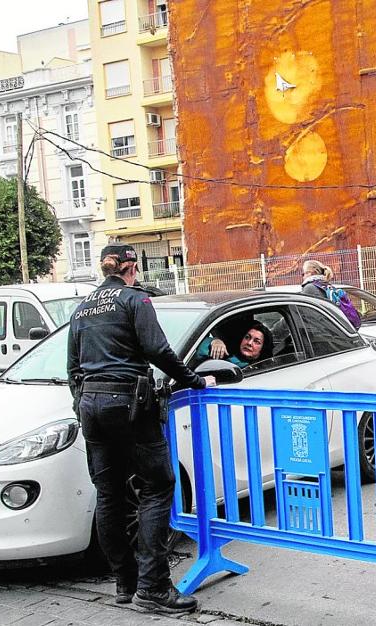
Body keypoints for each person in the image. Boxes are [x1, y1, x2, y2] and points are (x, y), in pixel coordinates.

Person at [66, 244, 210, 615]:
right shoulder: (135, 301)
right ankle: (154, 588)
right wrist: (195, 380)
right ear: (131, 268)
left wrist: (82, 405)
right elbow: (158, 350)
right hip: (129, 404)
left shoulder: (82, 309)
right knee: (157, 487)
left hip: (91, 407)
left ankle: (125, 584)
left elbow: (73, 368)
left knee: (110, 495)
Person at [199, 319, 274, 367]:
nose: (249, 343)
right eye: (247, 337)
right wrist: (214, 341)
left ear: (263, 348)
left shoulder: (261, 368)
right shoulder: (227, 353)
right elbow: (196, 346)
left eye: (256, 341)